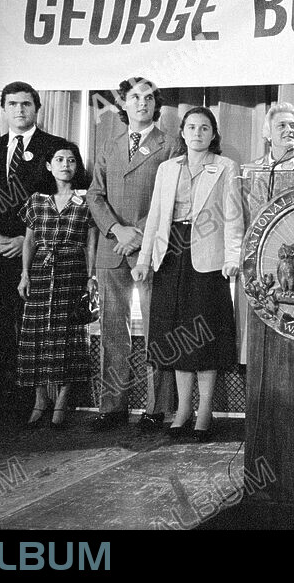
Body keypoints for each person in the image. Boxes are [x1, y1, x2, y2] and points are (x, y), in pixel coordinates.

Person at [132, 107, 244, 442]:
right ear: (182, 132)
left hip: (208, 260)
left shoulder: (225, 167)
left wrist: (233, 256)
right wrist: (142, 259)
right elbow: (154, 217)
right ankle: (182, 410)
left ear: (213, 134)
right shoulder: (167, 168)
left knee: (204, 336)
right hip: (170, 257)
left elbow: (234, 217)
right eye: (191, 127)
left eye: (204, 128)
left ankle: (205, 411)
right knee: (179, 337)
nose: (197, 133)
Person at [0, 82, 68, 425]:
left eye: (26, 104)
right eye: (13, 104)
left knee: (31, 330)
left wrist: (27, 240)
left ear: (36, 107)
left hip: (35, 256)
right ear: (4, 109)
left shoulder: (54, 148)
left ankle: (31, 406)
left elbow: (58, 201)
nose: (20, 110)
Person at [87, 77, 179, 433]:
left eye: (149, 98)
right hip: (112, 250)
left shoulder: (171, 145)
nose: (142, 103)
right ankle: (112, 407)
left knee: (159, 330)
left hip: (153, 250)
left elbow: (170, 199)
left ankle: (158, 409)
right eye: (134, 97)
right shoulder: (109, 146)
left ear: (157, 104)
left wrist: (138, 233)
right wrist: (116, 230)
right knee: (113, 332)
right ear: (122, 104)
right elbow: (95, 195)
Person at [17, 143, 96, 427]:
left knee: (69, 335)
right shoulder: (37, 201)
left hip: (72, 273)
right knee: (36, 335)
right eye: (59, 160)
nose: (66, 165)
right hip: (39, 272)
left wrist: (90, 277)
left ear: (77, 167)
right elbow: (29, 240)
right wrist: (25, 274)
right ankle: (40, 399)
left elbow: (91, 244)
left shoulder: (86, 202)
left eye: (71, 160)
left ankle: (63, 398)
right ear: (49, 165)